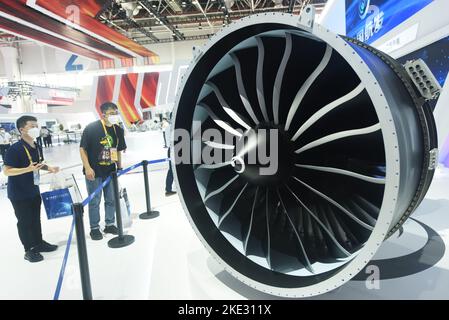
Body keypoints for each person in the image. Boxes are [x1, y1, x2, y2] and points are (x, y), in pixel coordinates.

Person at [3, 116, 60, 263]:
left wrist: (50, 168)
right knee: (24, 221)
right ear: (22, 130)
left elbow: (38, 164)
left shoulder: (36, 145)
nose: (36, 128)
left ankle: (39, 243)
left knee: (35, 219)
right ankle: (29, 249)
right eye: (32, 126)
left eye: (36, 125)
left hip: (33, 189)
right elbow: (7, 171)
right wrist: (26, 169)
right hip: (19, 193)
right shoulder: (14, 149)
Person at [80, 102, 127, 240]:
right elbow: (82, 149)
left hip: (110, 171)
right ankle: (94, 228)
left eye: (116, 113)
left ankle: (110, 223)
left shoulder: (118, 130)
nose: (114, 116)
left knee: (111, 199)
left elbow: (118, 150)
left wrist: (119, 167)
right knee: (94, 200)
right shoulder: (91, 128)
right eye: (112, 113)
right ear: (103, 114)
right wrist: (87, 167)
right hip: (94, 171)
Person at [164, 115, 176, 196]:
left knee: (171, 170)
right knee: (172, 170)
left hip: (171, 149)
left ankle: (169, 188)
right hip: (175, 149)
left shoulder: (168, 127)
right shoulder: (174, 127)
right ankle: (168, 189)